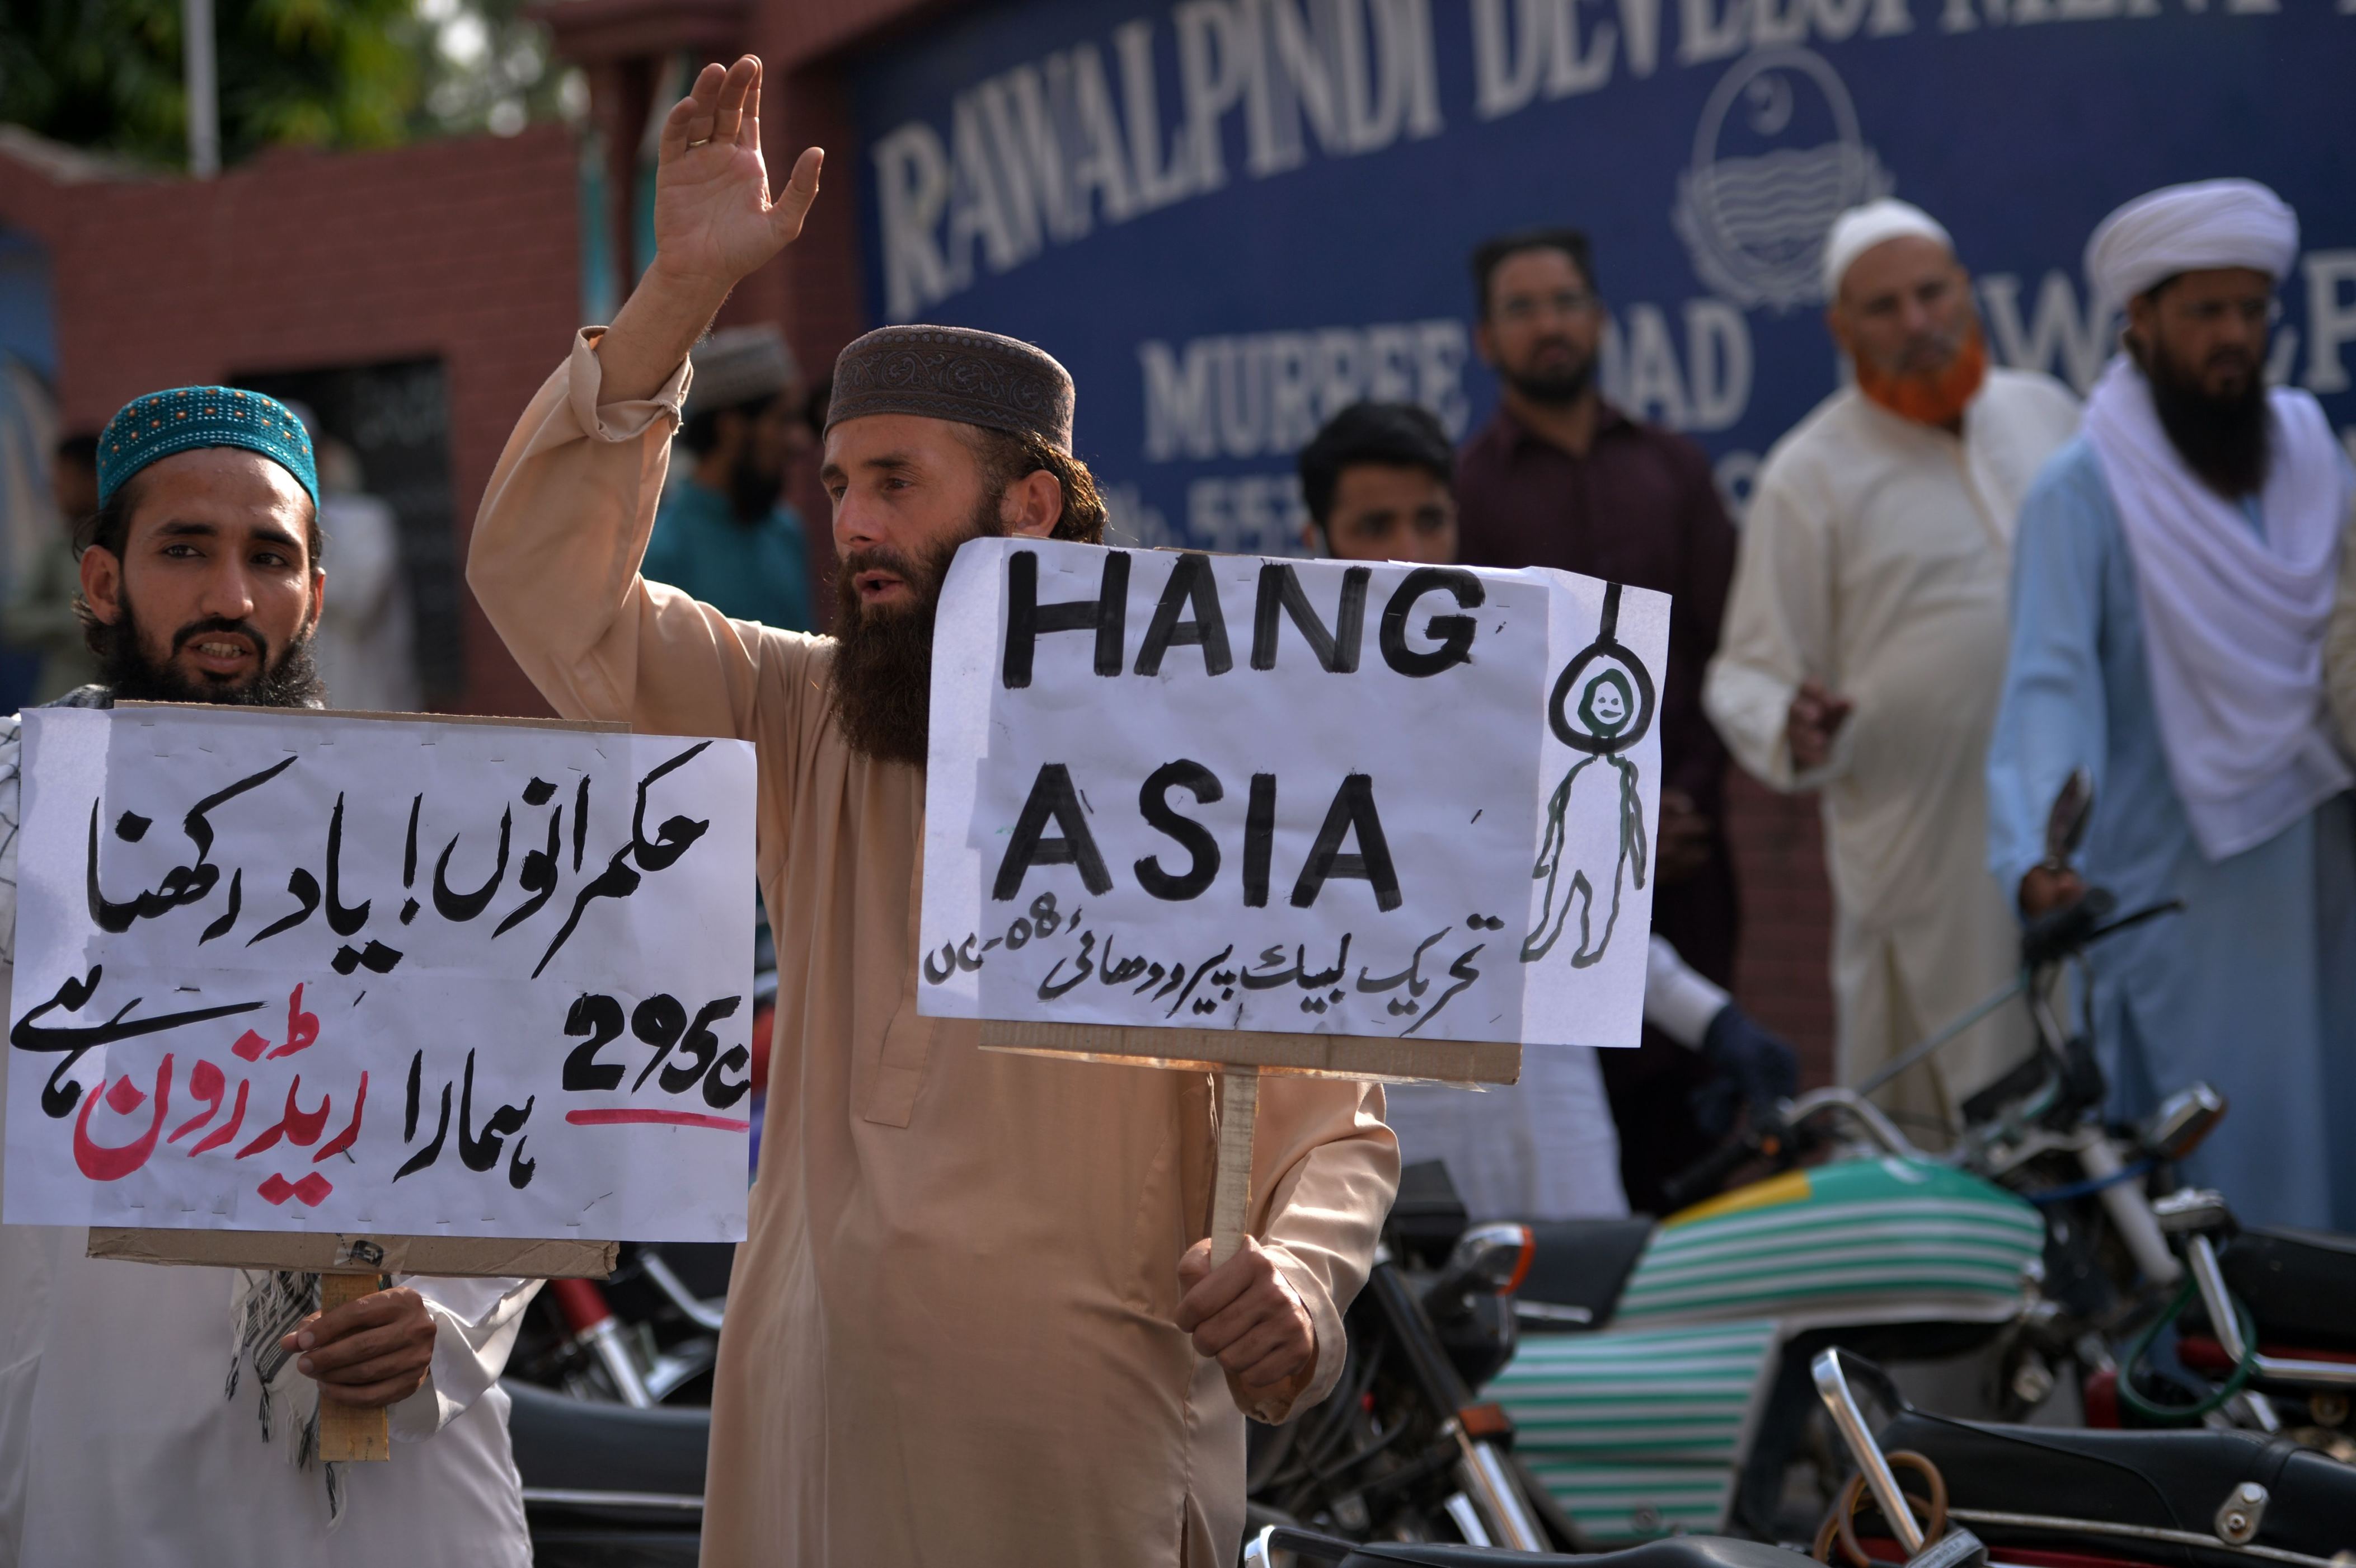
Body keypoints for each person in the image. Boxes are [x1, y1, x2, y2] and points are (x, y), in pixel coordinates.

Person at [466, 59, 1394, 1566]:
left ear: (1030, 506)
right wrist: (676, 299)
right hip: (812, 1450)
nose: (851, 526)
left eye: (894, 481)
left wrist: (1296, 1286)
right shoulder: (807, 712)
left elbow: (1329, 1115)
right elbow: (540, 585)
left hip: (1077, 1465)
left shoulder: (1214, 753)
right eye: (837, 484)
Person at [0, 387, 537, 1564]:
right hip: (109, 1467)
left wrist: (435, 1327)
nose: (230, 600)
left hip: (399, 1483)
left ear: (316, 595)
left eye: (269, 557)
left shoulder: (428, 839)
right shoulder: (15, 824)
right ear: (101, 582)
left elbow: (519, 1146)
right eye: (185, 550)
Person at [1299, 401, 1794, 1219]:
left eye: (1430, 519)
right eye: (1375, 523)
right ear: (1316, 540)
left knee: (1589, 1331)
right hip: (1384, 1122)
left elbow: (1587, 903)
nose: (1413, 553)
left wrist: (1713, 1023)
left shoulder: (1531, 689)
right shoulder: (1275, 719)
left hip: (1549, 1104)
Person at [1989, 180, 2356, 1231]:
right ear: (2138, 321)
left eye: (2251, 311)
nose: (2233, 336)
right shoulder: (2083, 487)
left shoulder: (2308, 452)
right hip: (2179, 893)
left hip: (2321, 867)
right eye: (2204, 313)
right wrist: (2040, 853)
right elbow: (2049, 681)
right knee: (2216, 1178)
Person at [1705, 200, 2081, 1134]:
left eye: (1931, 294)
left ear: (1965, 292)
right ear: (1842, 328)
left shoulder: (2047, 413)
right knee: (1969, 1116)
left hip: (2082, 813)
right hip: (1929, 853)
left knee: (2098, 1068)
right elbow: (1744, 673)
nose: (1917, 324)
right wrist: (1788, 720)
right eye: (1884, 308)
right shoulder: (1811, 472)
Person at [1452, 229, 1742, 1211]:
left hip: (1690, 869)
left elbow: (1730, 656)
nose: (1550, 325)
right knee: (1578, 1146)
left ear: (1601, 319)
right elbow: (1470, 694)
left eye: (1567, 301)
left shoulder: (1674, 472)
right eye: (1523, 308)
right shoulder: (1463, 497)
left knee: (1694, 1142)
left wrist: (1682, 803)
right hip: (1541, 881)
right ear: (1487, 339)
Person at [641, 322, 818, 630]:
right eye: (782, 420)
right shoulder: (662, 555)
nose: (799, 440)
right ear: (731, 427)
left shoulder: (786, 532)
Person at [3, 431, 103, 702]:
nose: (56, 493)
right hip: (65, 699)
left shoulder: (129, 546)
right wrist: (73, 622)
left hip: (126, 702)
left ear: (93, 480)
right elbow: (12, 620)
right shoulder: (58, 549)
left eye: (63, 482)